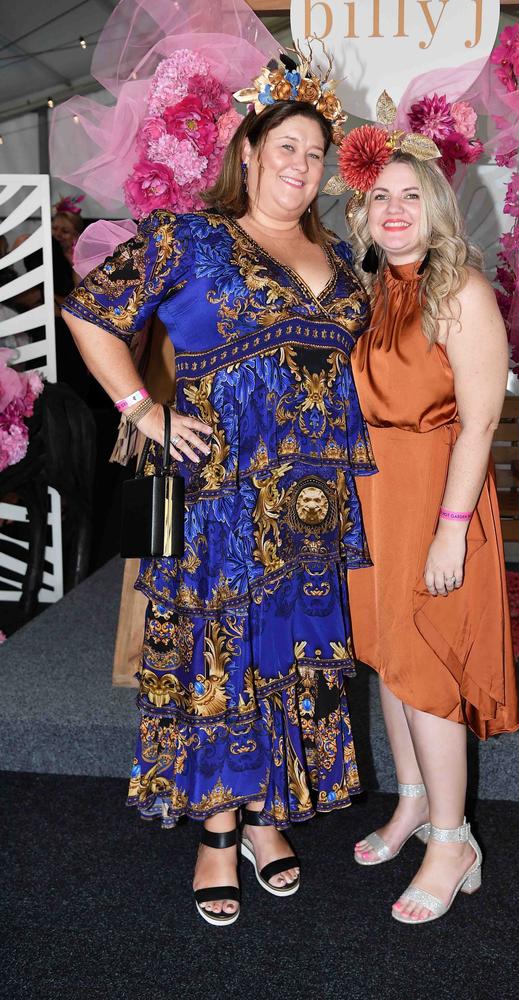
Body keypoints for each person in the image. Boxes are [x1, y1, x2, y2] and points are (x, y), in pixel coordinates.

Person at [61, 60, 374, 927]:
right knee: (217, 653)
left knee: (288, 649)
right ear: (249, 149)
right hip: (217, 495)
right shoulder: (191, 236)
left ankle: (271, 817)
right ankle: (217, 833)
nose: (302, 165)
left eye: (316, 152)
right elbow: (90, 310)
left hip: (310, 502)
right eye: (287, 147)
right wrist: (142, 411)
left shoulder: (341, 257)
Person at [345, 147, 519, 924]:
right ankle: (414, 802)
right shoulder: (373, 289)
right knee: (390, 655)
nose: (393, 209)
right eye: (380, 196)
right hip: (376, 493)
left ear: (438, 208)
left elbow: (481, 421)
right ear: (361, 212)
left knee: (430, 666)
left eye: (411, 196)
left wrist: (451, 532)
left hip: (435, 496)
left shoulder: (462, 291)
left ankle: (454, 840)